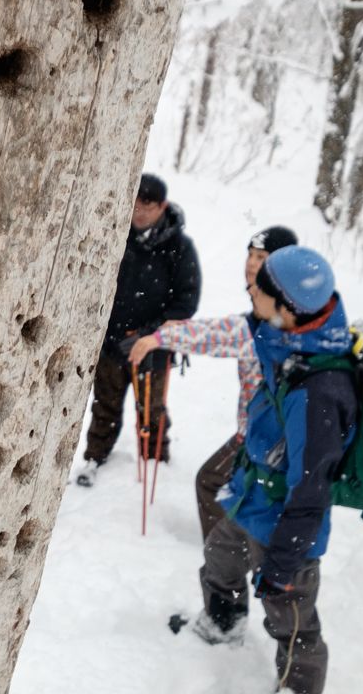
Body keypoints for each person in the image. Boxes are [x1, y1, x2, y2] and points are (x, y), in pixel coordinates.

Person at [171, 246, 354, 694]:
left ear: (287, 307)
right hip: (254, 501)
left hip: (289, 526)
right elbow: (245, 330)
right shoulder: (293, 333)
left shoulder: (319, 393)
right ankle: (222, 625)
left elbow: (310, 489)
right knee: (219, 561)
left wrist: (284, 563)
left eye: (261, 288)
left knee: (292, 620)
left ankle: (299, 685)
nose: (251, 289)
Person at [127, 226, 298, 539]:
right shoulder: (293, 310)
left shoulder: (266, 327)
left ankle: (229, 555)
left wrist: (159, 338)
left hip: (266, 438)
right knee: (232, 487)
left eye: (261, 257)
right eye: (250, 255)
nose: (250, 263)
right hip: (279, 436)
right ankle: (239, 552)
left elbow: (217, 334)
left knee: (212, 482)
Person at [77, 173, 201, 486]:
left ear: (162, 206)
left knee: (152, 410)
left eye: (148, 205)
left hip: (153, 347)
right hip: (111, 341)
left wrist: (148, 333)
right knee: (104, 405)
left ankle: (156, 462)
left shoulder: (179, 246)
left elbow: (186, 301)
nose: (140, 211)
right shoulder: (116, 232)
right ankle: (94, 457)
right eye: (136, 203)